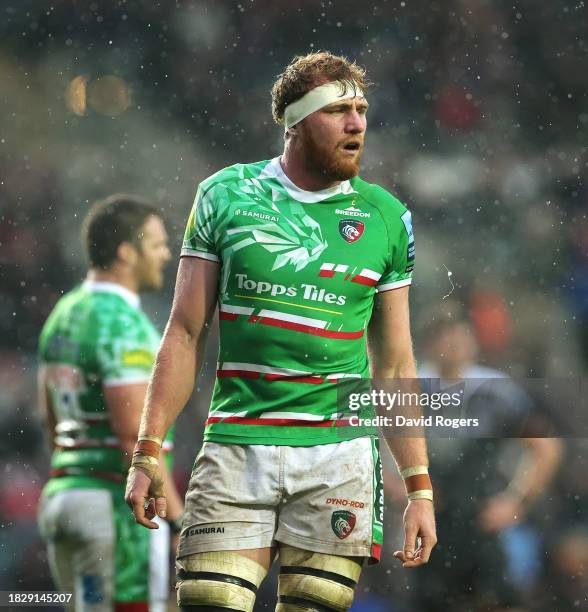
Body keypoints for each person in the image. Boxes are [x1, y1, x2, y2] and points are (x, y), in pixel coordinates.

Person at [125, 51, 437, 611]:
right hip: (236, 448)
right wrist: (147, 450)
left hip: (337, 457)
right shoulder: (225, 196)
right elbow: (185, 331)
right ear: (294, 123)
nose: (357, 124)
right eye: (338, 110)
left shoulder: (388, 218)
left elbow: (395, 364)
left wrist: (419, 487)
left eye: (361, 110)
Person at [37, 194, 184, 612]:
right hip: (113, 509)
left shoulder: (64, 313)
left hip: (65, 497)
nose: (165, 254)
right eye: (156, 245)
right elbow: (132, 440)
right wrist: (175, 518)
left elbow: (50, 420)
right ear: (126, 252)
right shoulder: (121, 323)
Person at [404, 304, 562, 611]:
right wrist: (405, 493)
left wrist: (516, 501)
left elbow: (546, 448)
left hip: (483, 518)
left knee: (496, 601)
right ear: (428, 343)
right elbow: (377, 450)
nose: (454, 343)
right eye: (445, 335)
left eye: (461, 334)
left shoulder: (495, 390)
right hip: (430, 521)